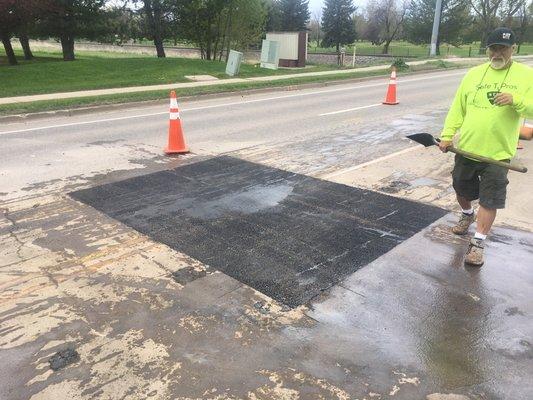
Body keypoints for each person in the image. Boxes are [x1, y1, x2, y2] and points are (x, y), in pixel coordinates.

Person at [439, 27, 533, 267]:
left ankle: (477, 243)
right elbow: (458, 108)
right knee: (460, 187)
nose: (497, 53)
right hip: (468, 149)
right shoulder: (473, 74)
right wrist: (447, 135)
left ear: (514, 49)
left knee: (490, 200)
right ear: (487, 50)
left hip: (498, 154)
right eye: (493, 48)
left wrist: (516, 101)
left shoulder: (526, 76)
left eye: (503, 48)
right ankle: (467, 214)